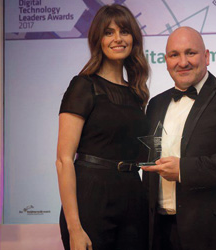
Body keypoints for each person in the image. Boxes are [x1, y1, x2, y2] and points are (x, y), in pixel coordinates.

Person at [142, 26, 216, 250]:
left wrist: (185, 170)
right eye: (174, 55)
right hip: (161, 233)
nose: (183, 62)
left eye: (191, 53)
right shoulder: (156, 104)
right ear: (166, 60)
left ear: (206, 56)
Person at [56, 4, 150, 250]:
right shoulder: (83, 86)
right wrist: (74, 228)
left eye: (124, 31)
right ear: (98, 40)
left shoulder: (137, 93)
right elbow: (64, 160)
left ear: (134, 39)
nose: (118, 38)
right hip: (92, 198)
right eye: (109, 32)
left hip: (133, 197)